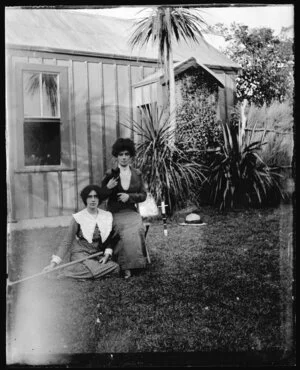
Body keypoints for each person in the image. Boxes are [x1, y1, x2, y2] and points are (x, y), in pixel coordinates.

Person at [43, 185, 120, 279]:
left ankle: (74, 273)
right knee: (99, 268)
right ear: (85, 199)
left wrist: (107, 255)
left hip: (96, 255)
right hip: (80, 255)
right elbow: (66, 242)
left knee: (115, 267)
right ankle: (64, 273)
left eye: (95, 196)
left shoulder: (106, 216)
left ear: (99, 199)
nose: (93, 200)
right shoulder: (78, 217)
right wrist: (53, 264)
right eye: (89, 197)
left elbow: (109, 239)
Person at [101, 138, 148, 279]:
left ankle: (135, 264)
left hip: (131, 212)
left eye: (126, 154)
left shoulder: (137, 174)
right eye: (121, 154)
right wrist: (108, 188)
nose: (123, 157)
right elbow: (100, 196)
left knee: (138, 227)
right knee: (123, 228)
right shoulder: (110, 174)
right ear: (116, 156)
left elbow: (143, 195)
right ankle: (126, 267)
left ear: (131, 156)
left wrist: (130, 197)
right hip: (115, 212)